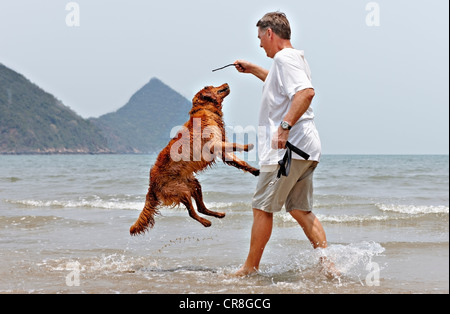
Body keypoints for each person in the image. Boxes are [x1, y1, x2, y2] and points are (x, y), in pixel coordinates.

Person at [233, 12, 337, 277]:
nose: (259, 45)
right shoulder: (293, 59)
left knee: (261, 208)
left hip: (288, 151)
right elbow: (282, 87)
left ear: (270, 33)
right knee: (301, 210)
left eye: (260, 38)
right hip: (306, 149)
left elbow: (306, 93)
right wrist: (254, 69)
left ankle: (249, 269)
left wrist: (284, 126)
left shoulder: (284, 58)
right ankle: (329, 267)